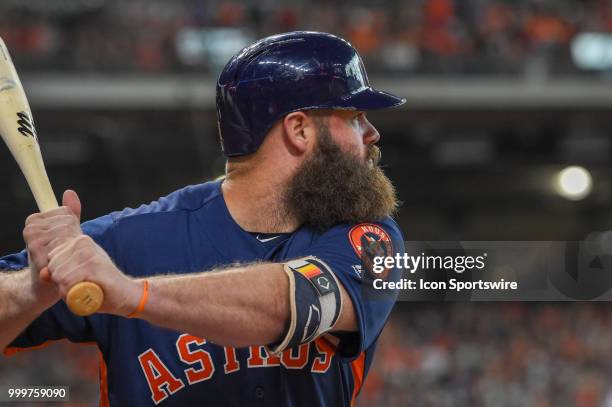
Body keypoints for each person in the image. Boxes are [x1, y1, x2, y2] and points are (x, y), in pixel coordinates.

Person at [0, 31, 406, 406]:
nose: (372, 134)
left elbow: (297, 302)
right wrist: (34, 288)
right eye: (354, 117)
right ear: (299, 129)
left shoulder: (368, 235)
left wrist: (132, 293)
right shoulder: (128, 240)